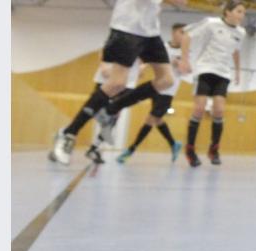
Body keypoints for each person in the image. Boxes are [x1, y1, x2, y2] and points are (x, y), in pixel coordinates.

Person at [50, 0, 185, 165]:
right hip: (127, 28)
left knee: (166, 80)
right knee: (117, 83)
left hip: (150, 31)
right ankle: (68, 134)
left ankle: (110, 110)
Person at [179, 1, 247, 167]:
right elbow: (187, 35)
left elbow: (236, 51)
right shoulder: (211, 23)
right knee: (199, 109)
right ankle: (190, 150)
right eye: (239, 11)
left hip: (223, 73)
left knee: (219, 111)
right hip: (205, 69)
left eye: (243, 13)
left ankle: (214, 149)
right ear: (228, 12)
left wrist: (237, 71)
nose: (241, 16)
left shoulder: (241, 32)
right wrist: (185, 59)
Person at [117, 23, 188, 164]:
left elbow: (186, 71)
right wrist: (143, 66)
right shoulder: (163, 47)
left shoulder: (185, 52)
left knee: (150, 120)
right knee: (158, 120)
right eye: (182, 32)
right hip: (157, 87)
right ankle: (174, 144)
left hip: (168, 92)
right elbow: (150, 59)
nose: (184, 36)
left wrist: (179, 64)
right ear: (174, 33)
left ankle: (131, 150)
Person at [82, 58, 143, 164]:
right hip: (108, 82)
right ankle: (67, 134)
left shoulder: (141, 49)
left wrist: (141, 67)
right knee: (91, 112)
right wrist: (104, 66)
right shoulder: (117, 45)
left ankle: (94, 148)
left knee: (112, 118)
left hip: (124, 84)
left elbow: (141, 66)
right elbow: (104, 61)